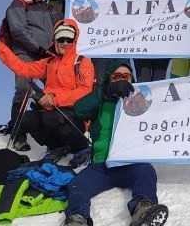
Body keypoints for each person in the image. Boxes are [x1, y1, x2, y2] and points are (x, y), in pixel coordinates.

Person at [62, 60, 169, 226]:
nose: (121, 80)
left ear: (132, 79)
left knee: (146, 172)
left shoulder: (142, 100)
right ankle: (77, 218)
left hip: (130, 163)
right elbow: (79, 110)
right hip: (101, 166)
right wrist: (105, 92)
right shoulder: (100, 99)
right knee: (78, 184)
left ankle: (143, 210)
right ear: (109, 79)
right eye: (116, 76)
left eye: (126, 76)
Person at [0, 19, 94, 165]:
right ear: (55, 40)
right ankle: (56, 147)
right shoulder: (48, 63)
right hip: (51, 110)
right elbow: (22, 68)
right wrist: (0, 47)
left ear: (74, 40)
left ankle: (81, 148)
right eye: (61, 39)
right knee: (25, 120)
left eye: (69, 39)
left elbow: (85, 91)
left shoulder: (82, 62)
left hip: (75, 114)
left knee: (50, 118)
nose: (65, 43)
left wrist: (55, 98)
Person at [2, 0, 55, 152]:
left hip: (45, 55)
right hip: (25, 53)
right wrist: (38, 49)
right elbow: (18, 30)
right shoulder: (18, 4)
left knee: (54, 90)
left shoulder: (44, 7)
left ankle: (52, 132)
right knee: (23, 91)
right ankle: (18, 136)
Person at [132, 0, 169, 82]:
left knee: (159, 81)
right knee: (143, 80)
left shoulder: (166, 1)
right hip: (141, 50)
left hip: (160, 49)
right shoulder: (136, 2)